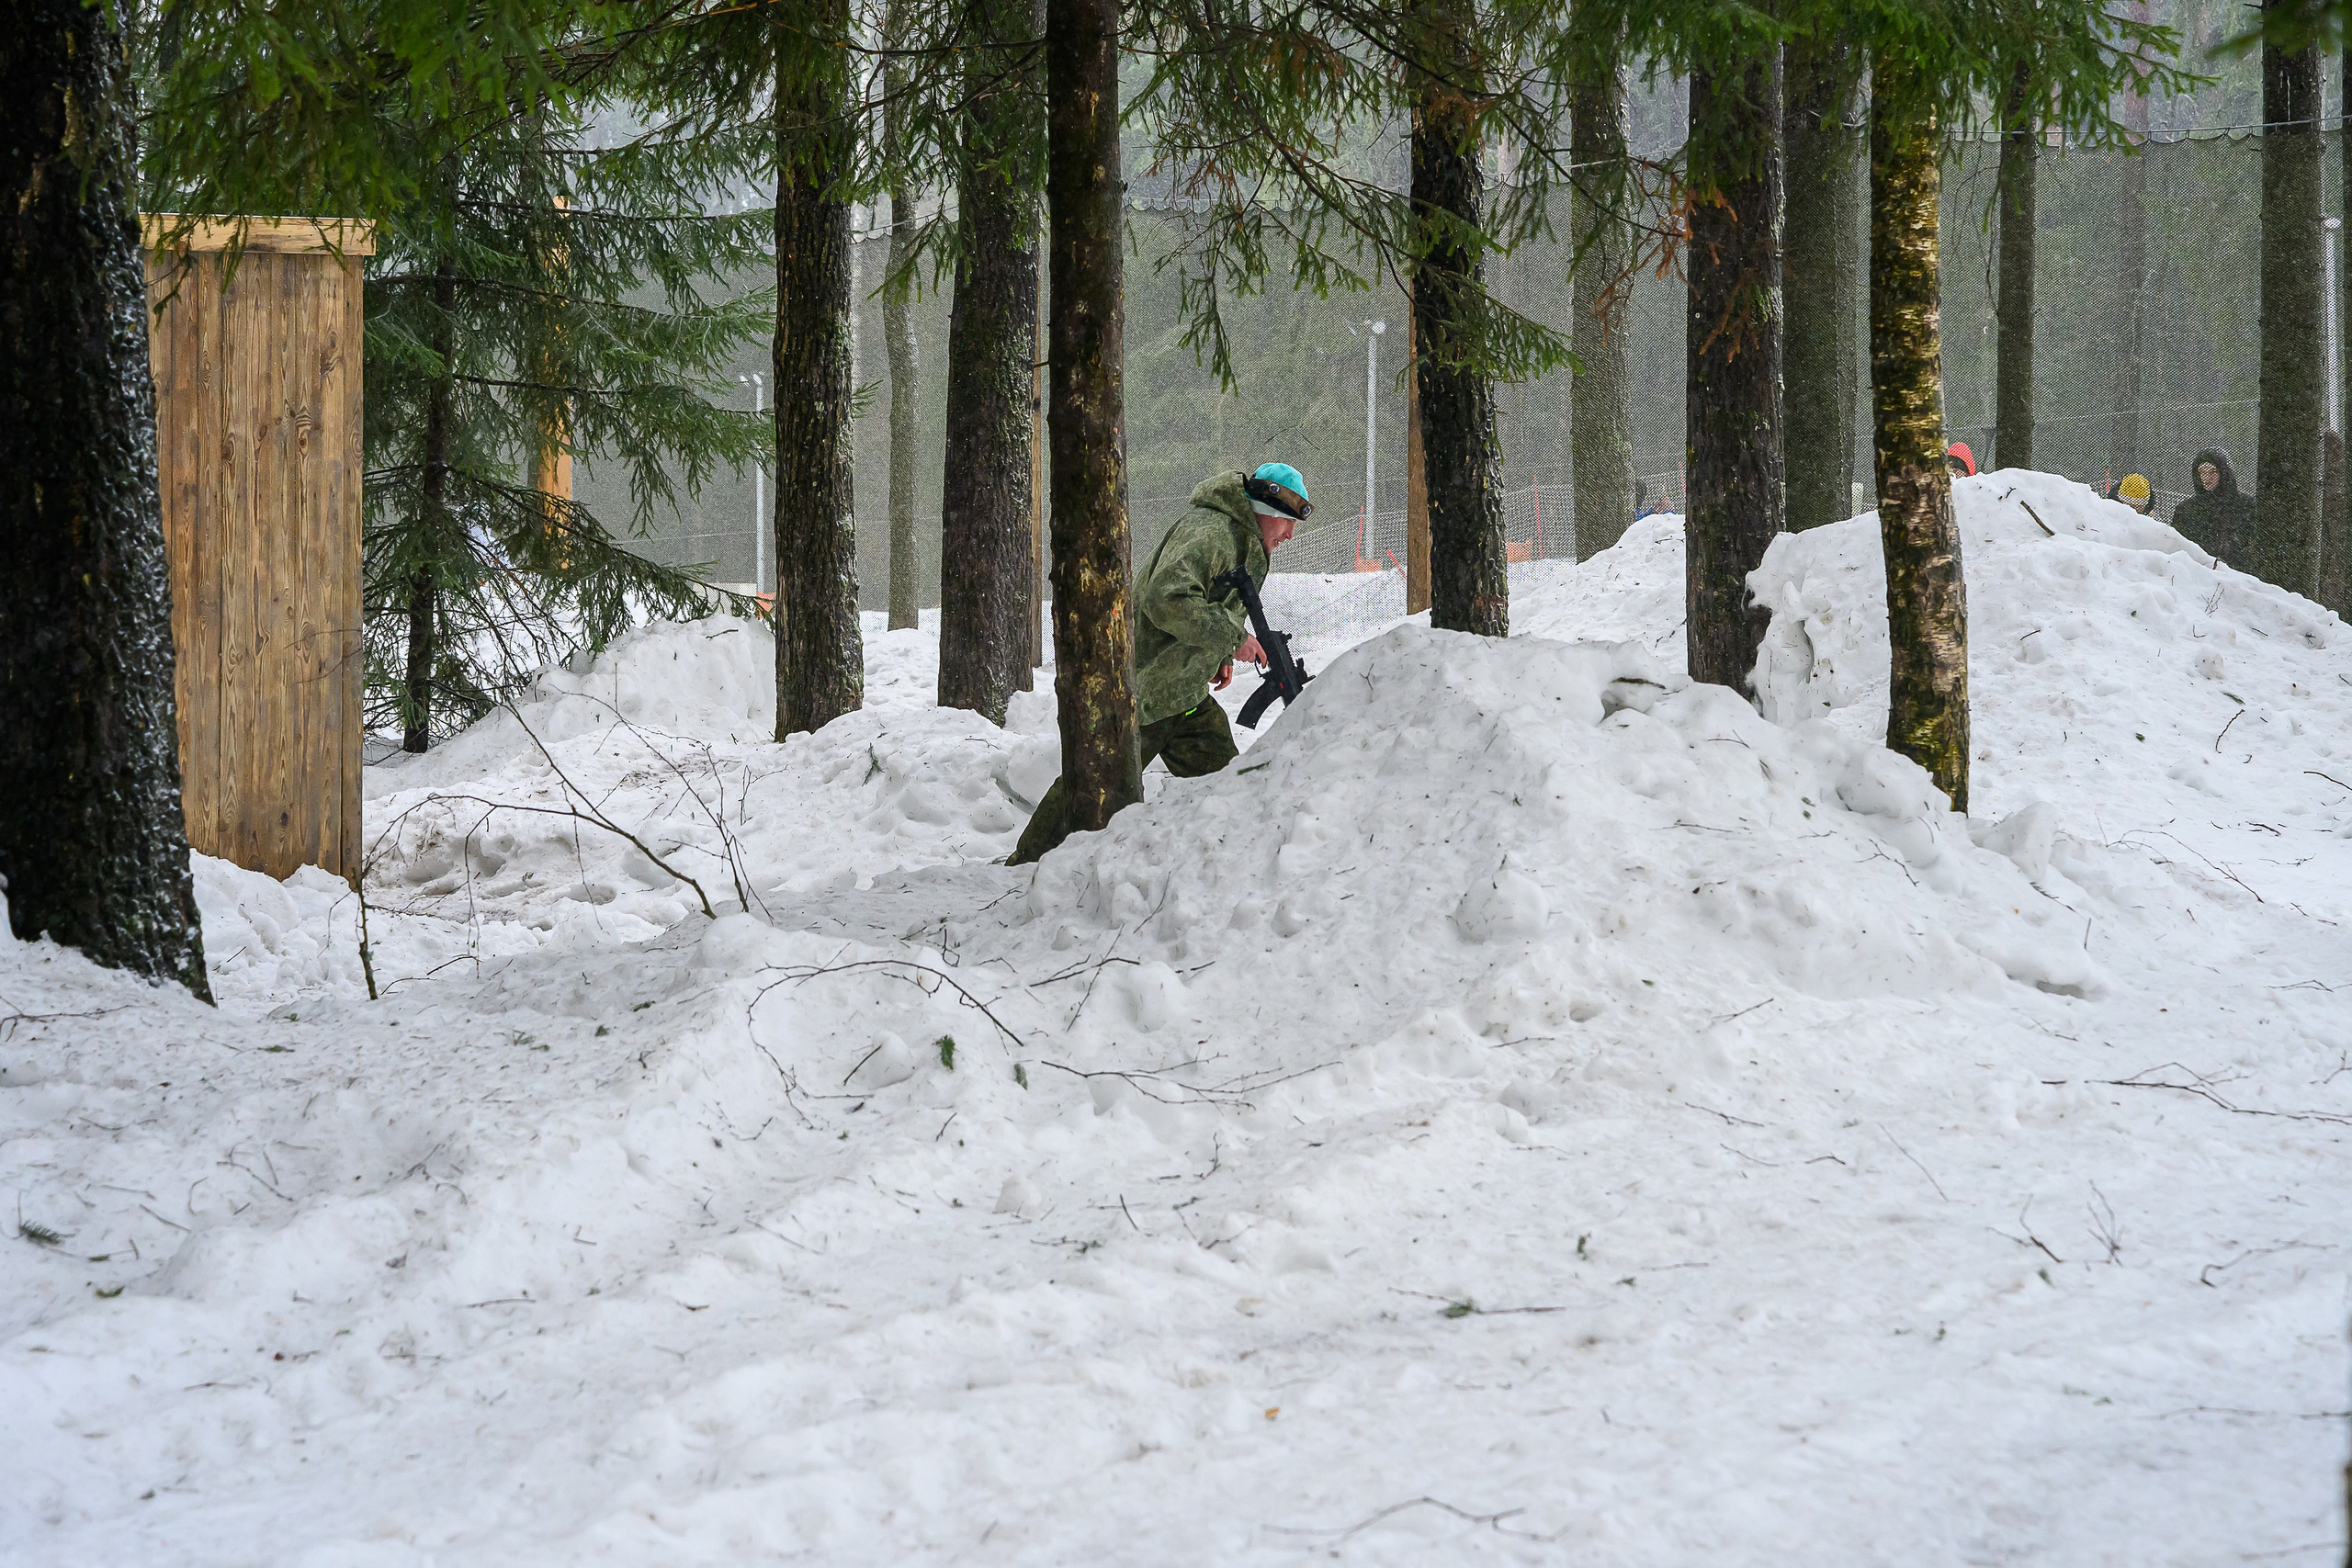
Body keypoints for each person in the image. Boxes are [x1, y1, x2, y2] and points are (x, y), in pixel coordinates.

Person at [1007, 462, 1309, 866]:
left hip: (1182, 694)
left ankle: (1238, 866)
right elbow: (1165, 599)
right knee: (1094, 784)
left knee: (1226, 787)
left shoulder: (1241, 537)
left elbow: (1214, 601)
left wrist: (1217, 655)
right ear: (1264, 510)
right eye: (1286, 522)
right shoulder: (1213, 534)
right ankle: (1025, 866)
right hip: (1145, 691)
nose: (1290, 534)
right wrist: (1232, 640)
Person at [2169, 446, 2256, 563]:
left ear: (2224, 473)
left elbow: (2256, 547)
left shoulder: (2246, 505)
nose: (2207, 478)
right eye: (2202, 472)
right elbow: (2177, 548)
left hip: (2237, 576)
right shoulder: (2185, 510)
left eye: (2213, 472)